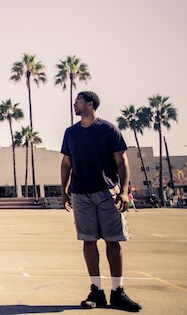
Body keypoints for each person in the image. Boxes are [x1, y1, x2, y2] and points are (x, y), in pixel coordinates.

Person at [60, 91, 142, 312]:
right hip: (81, 194)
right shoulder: (71, 133)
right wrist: (64, 190)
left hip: (108, 193)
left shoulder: (108, 129)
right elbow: (66, 163)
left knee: (113, 241)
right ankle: (96, 290)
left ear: (89, 104)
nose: (74, 104)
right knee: (88, 240)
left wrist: (124, 191)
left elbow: (121, 160)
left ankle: (118, 291)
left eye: (78, 101)